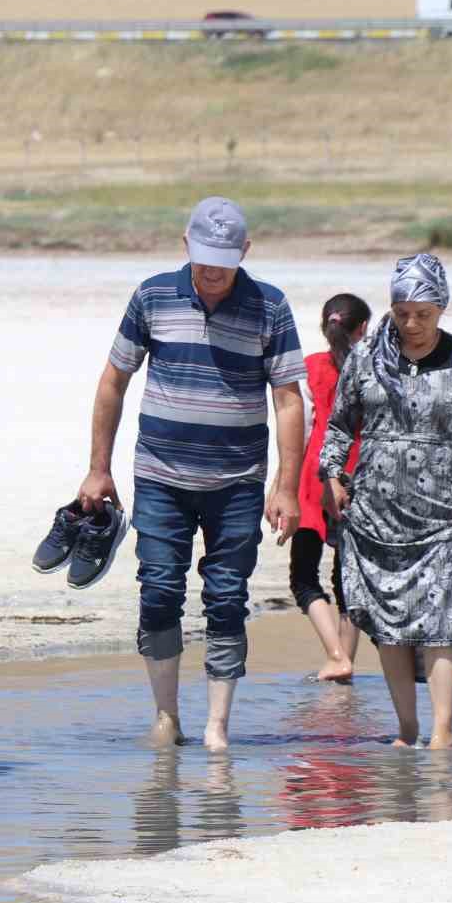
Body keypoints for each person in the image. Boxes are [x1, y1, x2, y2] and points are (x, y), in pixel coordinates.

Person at [77, 197, 306, 752]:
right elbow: (114, 381)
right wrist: (97, 469)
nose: (211, 272)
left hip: (238, 482)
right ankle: (165, 717)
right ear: (186, 245)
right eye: (204, 258)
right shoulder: (152, 294)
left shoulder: (270, 306)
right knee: (158, 591)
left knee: (227, 597)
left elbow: (288, 399)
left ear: (244, 253)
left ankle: (217, 727)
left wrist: (287, 486)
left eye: (223, 262)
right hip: (160, 475)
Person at [321, 253, 452, 749]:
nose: (411, 323)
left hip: (447, 511)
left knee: (443, 620)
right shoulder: (365, 358)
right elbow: (340, 426)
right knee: (389, 624)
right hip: (376, 515)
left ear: (441, 308)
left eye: (423, 314)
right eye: (402, 312)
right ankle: (407, 729)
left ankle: (442, 731)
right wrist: (332, 474)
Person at [285, 292, 371, 683]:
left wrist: (281, 484)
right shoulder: (376, 368)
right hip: (360, 477)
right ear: (364, 329)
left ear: (326, 327)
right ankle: (344, 665)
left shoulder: (310, 368)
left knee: (304, 575)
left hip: (312, 476)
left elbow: (301, 428)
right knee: (348, 580)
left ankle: (336, 656)